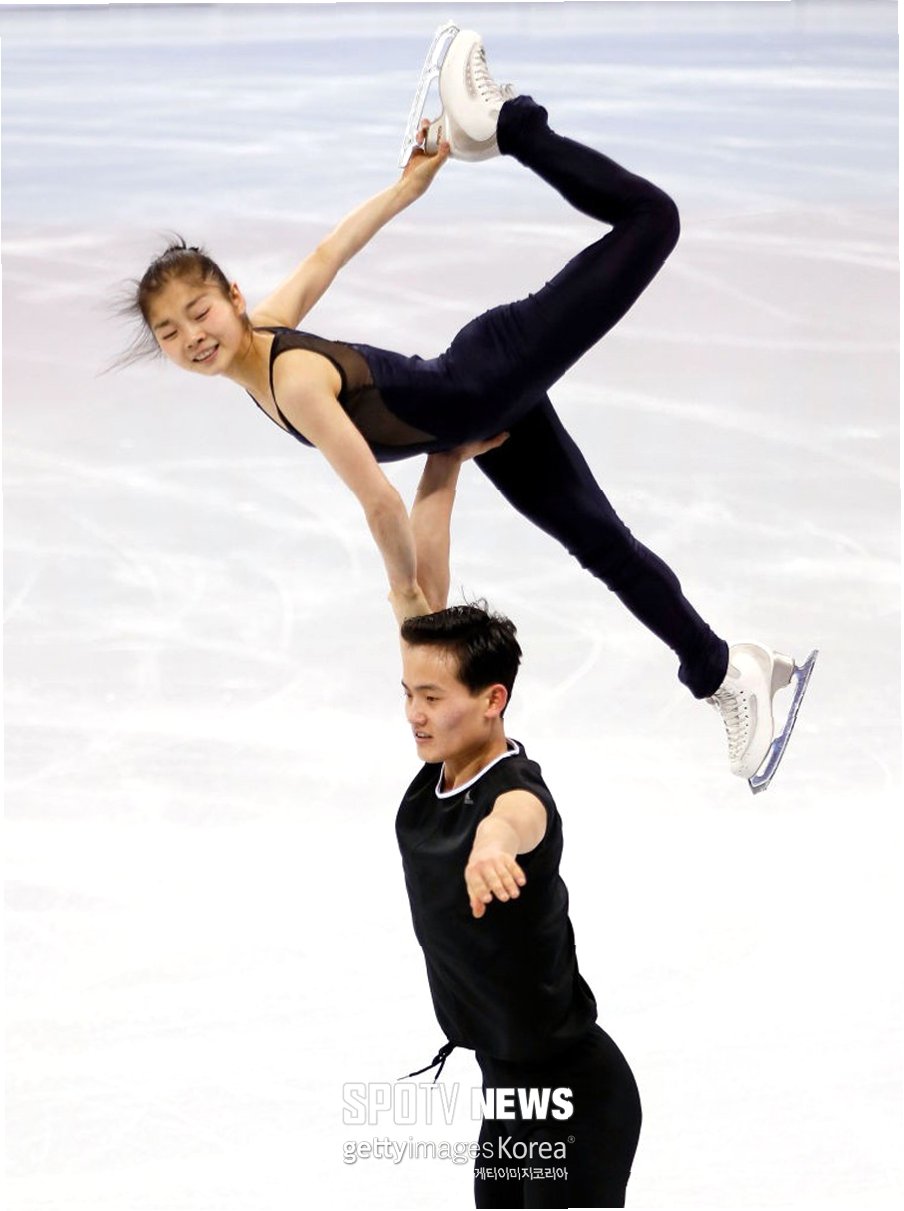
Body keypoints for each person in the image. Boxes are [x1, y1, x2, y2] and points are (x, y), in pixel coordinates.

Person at [125, 26, 812, 786]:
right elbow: (327, 257)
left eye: (199, 312)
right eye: (170, 332)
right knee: (603, 547)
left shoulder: (290, 380)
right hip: (485, 414)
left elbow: (380, 502)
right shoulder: (262, 342)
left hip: (494, 368)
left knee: (653, 220)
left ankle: (509, 122)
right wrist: (404, 192)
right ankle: (728, 673)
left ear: (232, 297)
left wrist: (406, 602)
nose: (193, 336)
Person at [394, 440, 641, 1208]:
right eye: (408, 693)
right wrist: (447, 455)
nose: (415, 713)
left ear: (492, 699)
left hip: (576, 1097)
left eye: (433, 697)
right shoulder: (443, 758)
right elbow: (418, 585)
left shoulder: (516, 791)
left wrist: (492, 847)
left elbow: (518, 820)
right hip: (510, 1094)